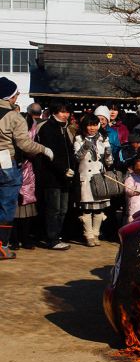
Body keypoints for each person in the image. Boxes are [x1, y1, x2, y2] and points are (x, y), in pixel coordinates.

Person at [0, 77, 53, 259]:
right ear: (11, 97)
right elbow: (25, 144)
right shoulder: (14, 117)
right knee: (7, 206)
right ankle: (2, 246)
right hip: (6, 162)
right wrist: (43, 149)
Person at [35, 100, 76, 250]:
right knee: (53, 209)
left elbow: (69, 152)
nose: (65, 114)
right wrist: (63, 169)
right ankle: (51, 238)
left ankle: (57, 236)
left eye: (67, 111)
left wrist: (70, 169)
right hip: (52, 176)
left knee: (63, 209)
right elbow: (49, 154)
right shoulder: (47, 128)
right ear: (54, 112)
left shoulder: (66, 128)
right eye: (62, 111)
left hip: (66, 177)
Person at [74, 114, 114, 247]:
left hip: (99, 178)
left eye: (94, 125)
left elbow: (109, 162)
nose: (92, 128)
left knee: (99, 209)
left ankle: (96, 234)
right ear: (85, 126)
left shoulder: (103, 139)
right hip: (85, 177)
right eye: (89, 125)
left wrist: (108, 154)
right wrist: (85, 146)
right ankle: (88, 235)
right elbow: (77, 158)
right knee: (87, 209)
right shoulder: (79, 138)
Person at [123, 156, 140, 222]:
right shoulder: (130, 179)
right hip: (135, 211)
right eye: (138, 166)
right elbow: (129, 191)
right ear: (133, 168)